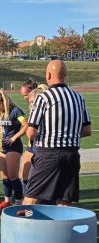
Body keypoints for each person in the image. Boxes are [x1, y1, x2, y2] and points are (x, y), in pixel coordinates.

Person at [23, 60, 92, 206]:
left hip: (48, 154)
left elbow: (31, 132)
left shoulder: (43, 97)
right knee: (64, 200)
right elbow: (87, 130)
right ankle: (62, 229)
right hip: (72, 154)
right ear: (66, 75)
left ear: (48, 75)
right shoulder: (78, 98)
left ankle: (26, 227)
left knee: (31, 199)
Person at [0, 90, 28, 209]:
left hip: (14, 147)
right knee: (5, 176)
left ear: (1, 103)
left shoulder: (16, 111)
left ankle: (18, 201)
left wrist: (15, 137)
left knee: (13, 176)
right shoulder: (0, 113)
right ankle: (7, 201)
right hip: (2, 147)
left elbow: (26, 124)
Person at [19, 84, 48, 194]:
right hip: (32, 144)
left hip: (42, 146)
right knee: (24, 173)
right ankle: (24, 196)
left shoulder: (43, 109)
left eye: (27, 96)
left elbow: (31, 131)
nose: (26, 99)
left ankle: (31, 200)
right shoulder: (34, 108)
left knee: (38, 176)